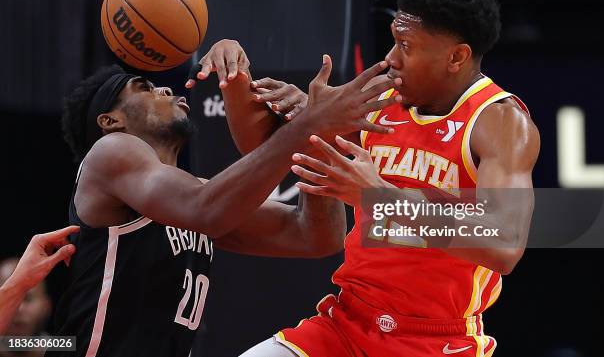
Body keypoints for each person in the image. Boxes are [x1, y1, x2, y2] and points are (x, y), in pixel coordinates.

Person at [237, 0, 540, 357]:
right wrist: (306, 117)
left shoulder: (499, 121)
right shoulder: (379, 99)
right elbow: (283, 155)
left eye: (405, 45)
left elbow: (504, 244)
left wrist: (380, 198)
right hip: (346, 324)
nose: (390, 58)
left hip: (436, 340)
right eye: (393, 41)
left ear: (456, 56)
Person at [50, 39, 401, 357]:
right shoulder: (110, 153)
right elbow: (206, 209)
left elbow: (314, 235)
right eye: (143, 87)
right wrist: (306, 126)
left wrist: (314, 139)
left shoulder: (192, 194)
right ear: (110, 121)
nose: (165, 88)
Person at [0, 226, 79, 340]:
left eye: (28, 298)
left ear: (46, 306)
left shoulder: (67, 350)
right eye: (3, 297)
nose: (18, 308)